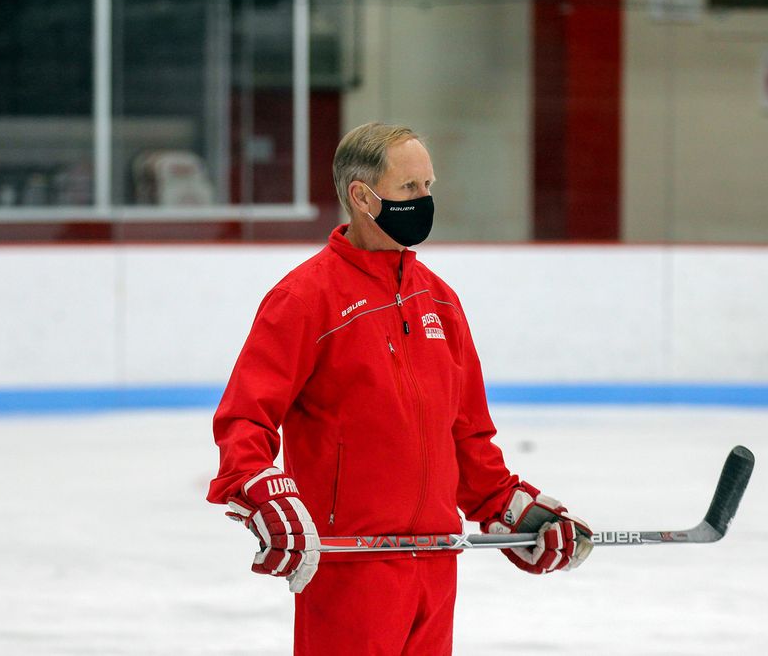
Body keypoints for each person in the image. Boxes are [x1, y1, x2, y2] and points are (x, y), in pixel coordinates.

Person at [207, 122, 592, 655]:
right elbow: (244, 418)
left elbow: (468, 435)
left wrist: (510, 508)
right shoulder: (304, 299)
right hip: (351, 565)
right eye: (410, 188)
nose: (425, 200)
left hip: (435, 562)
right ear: (362, 196)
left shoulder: (440, 302)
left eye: (428, 186)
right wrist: (261, 491)